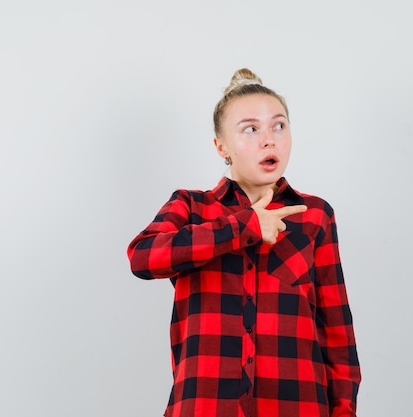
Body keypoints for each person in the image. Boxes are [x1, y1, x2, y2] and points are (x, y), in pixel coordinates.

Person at [127, 68, 361, 417]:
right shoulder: (191, 207)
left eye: (278, 126)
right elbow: (143, 258)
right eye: (251, 129)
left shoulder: (314, 215)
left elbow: (337, 335)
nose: (269, 140)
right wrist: (245, 226)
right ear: (222, 146)